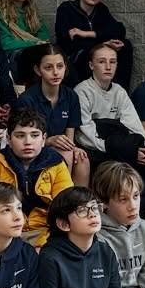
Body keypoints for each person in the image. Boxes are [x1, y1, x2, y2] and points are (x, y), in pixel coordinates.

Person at [0, 105, 82, 246]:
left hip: (45, 233)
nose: (28, 142)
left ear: (44, 139)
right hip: (4, 233)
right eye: (20, 136)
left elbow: (67, 207)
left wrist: (45, 243)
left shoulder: (56, 164)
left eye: (34, 135)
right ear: (8, 139)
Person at [16, 43, 91, 183]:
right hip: (34, 150)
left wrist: (73, 148)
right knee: (65, 157)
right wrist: (49, 141)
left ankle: (81, 203)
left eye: (60, 66)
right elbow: (25, 139)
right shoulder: (27, 99)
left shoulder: (71, 96)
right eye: (48, 68)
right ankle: (61, 202)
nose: (56, 72)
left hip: (62, 147)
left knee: (82, 159)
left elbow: (70, 135)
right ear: (38, 70)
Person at [74, 43, 145, 172]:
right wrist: (126, 150)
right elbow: (86, 134)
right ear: (91, 65)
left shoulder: (119, 91)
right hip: (94, 148)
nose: (108, 67)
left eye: (113, 62)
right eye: (102, 62)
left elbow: (133, 123)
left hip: (118, 143)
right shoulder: (82, 91)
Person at [55, 0, 132, 86]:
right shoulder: (66, 8)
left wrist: (87, 34)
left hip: (98, 51)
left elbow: (119, 30)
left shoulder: (101, 10)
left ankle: (121, 91)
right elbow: (68, 40)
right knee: (91, 52)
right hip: (76, 57)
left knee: (125, 45)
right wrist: (103, 43)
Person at [0, 0, 49, 68]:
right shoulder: (1, 15)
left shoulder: (33, 11)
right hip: (14, 55)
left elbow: (44, 35)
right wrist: (35, 43)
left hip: (36, 49)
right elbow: (6, 43)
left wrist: (39, 43)